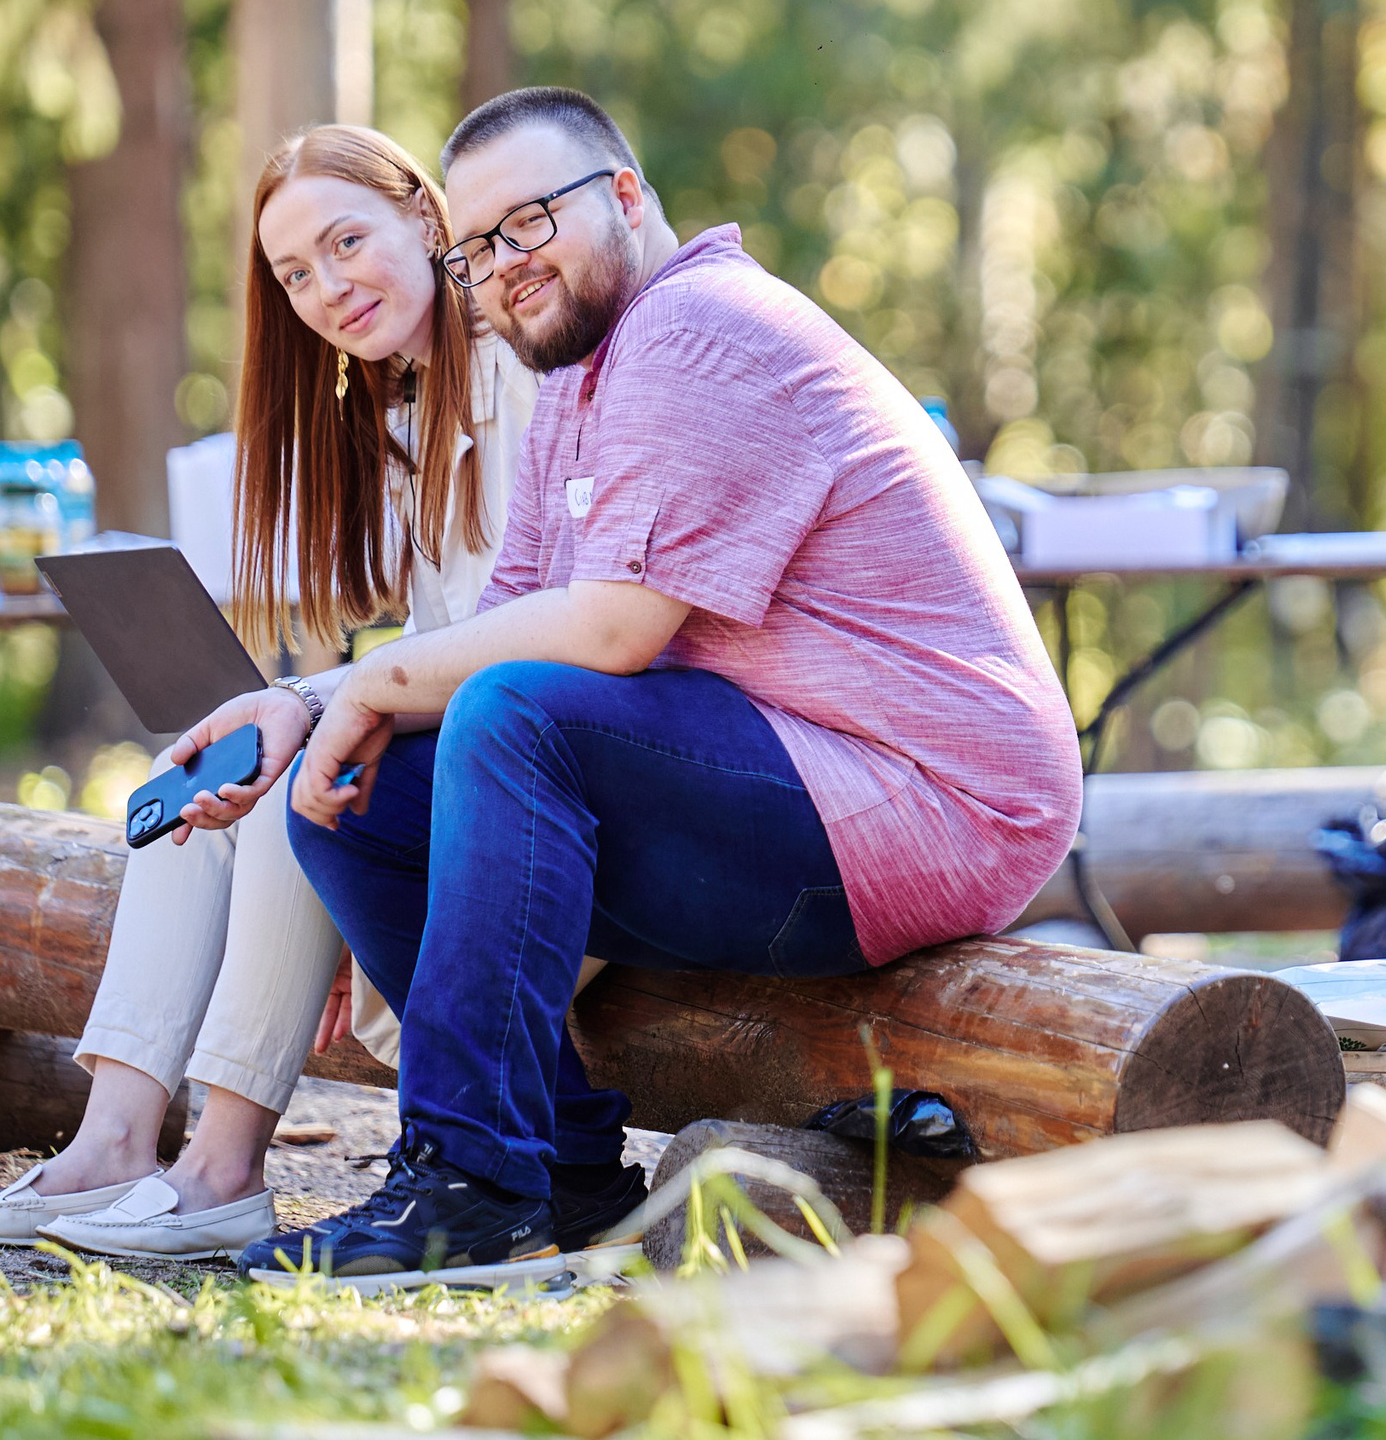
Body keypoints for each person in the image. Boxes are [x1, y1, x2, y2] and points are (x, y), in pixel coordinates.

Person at [231, 87, 1081, 1288]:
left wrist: (372, 679)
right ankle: (565, 1171)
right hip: (791, 769)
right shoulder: (582, 370)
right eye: (477, 249)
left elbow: (613, 632)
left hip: (928, 796)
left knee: (514, 716)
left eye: (528, 224)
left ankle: (467, 1184)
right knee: (363, 792)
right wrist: (318, 711)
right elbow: (507, 611)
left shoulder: (699, 331)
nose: (504, 268)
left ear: (624, 195)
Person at [0, 126, 557, 1261]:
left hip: (537, 791)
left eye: (346, 241)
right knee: (199, 776)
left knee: (296, 776)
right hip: (462, 742)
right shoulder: (401, 409)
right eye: (294, 273)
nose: (326, 286)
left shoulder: (520, 372)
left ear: (426, 216)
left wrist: (316, 710)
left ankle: (219, 1166)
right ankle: (112, 1139)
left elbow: (528, 643)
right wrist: (296, 698)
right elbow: (436, 641)